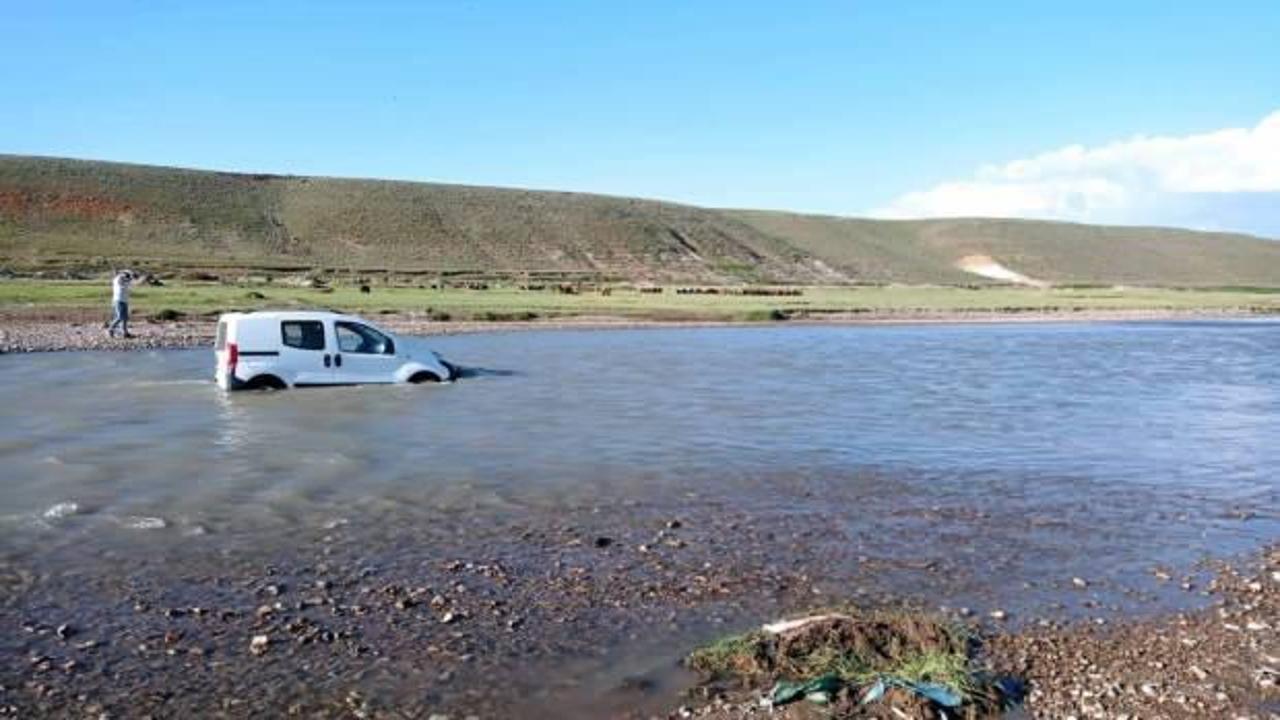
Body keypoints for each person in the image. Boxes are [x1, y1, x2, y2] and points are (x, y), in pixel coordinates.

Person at [107, 270, 136, 338]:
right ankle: (110, 329)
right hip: (118, 300)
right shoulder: (118, 279)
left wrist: (131, 277)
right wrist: (129, 276)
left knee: (125, 318)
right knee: (120, 317)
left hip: (124, 300)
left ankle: (125, 333)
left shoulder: (125, 280)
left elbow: (128, 281)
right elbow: (122, 280)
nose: (126, 276)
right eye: (126, 275)